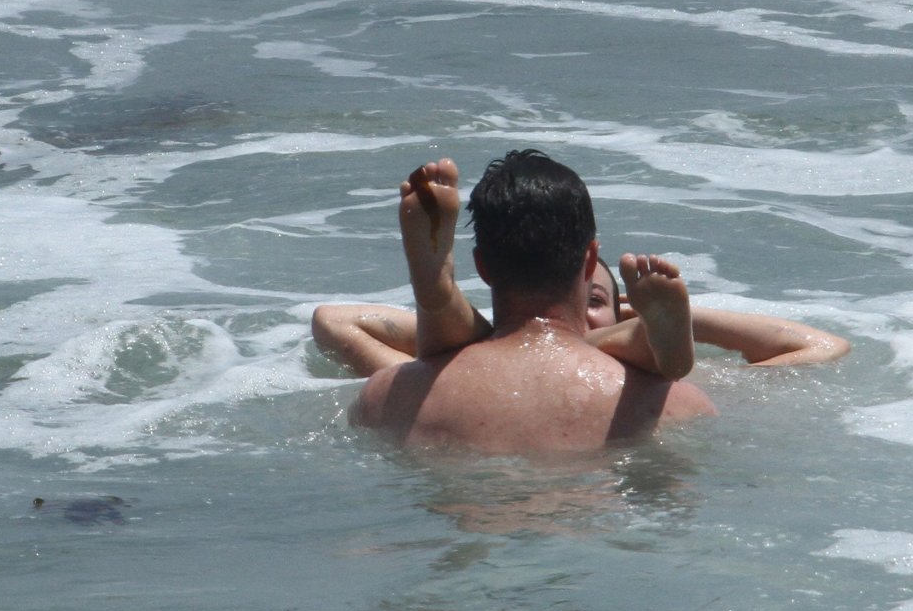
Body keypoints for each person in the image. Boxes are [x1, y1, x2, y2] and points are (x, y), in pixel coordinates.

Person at [347, 152, 717, 454]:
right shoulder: (675, 407)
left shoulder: (386, 399)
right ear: (590, 260)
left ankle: (437, 298)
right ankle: (652, 338)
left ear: (482, 267)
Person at [314, 220, 849, 376]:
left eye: (598, 302)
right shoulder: (453, 371)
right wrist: (478, 338)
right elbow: (333, 321)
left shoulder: (437, 386)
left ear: (624, 313)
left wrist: (684, 320)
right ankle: (442, 301)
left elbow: (824, 348)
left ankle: (442, 300)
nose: (583, 313)